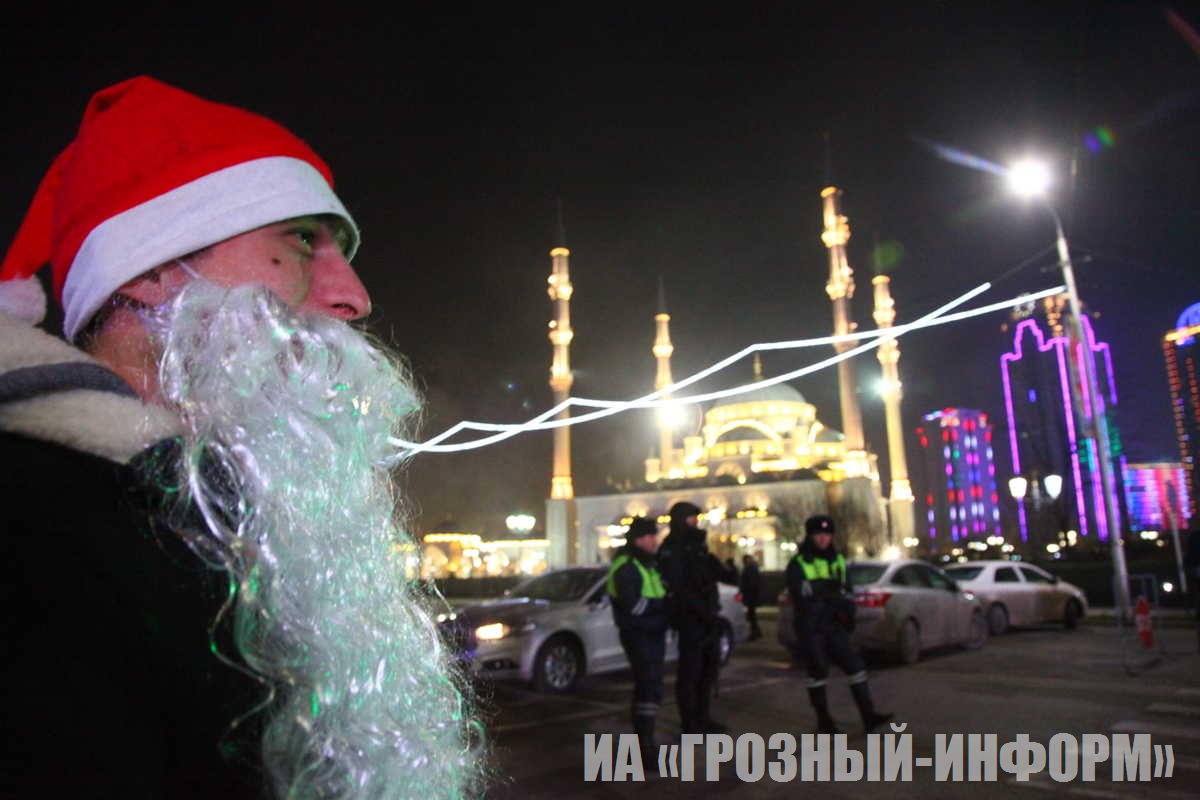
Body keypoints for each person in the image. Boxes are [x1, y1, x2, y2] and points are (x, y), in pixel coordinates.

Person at [0, 77, 481, 799]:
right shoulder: (36, 541)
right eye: (301, 241)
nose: (354, 296)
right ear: (154, 271)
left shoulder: (214, 521)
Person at [786, 514, 893, 734]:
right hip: (811, 626)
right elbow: (799, 591)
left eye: (827, 535)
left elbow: (847, 590)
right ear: (810, 536)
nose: (824, 539)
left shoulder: (838, 560)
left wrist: (848, 613)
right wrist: (825, 587)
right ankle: (824, 722)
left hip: (834, 624)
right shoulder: (799, 562)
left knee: (856, 667)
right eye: (819, 535)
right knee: (818, 672)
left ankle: (868, 716)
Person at [657, 500, 726, 734]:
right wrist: (702, 611)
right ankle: (690, 724)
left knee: (707, 671)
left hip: (706, 615)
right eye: (691, 518)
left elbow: (706, 578)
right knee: (690, 673)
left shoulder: (697, 545)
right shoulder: (674, 547)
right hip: (690, 618)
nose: (696, 522)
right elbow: (680, 588)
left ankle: (703, 718)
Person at [606, 516, 668, 764]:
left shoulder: (647, 564)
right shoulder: (628, 566)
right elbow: (635, 606)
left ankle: (646, 742)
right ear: (638, 540)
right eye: (650, 536)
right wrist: (663, 606)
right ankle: (645, 747)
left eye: (655, 536)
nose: (655, 541)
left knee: (651, 686)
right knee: (647, 686)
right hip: (639, 634)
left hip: (651, 632)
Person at [740, 553, 764, 641]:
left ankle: (755, 633)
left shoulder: (750, 568)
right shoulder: (753, 567)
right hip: (753, 594)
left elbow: (750, 582)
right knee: (751, 614)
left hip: (751, 594)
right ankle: (756, 631)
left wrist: (747, 593)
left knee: (751, 614)